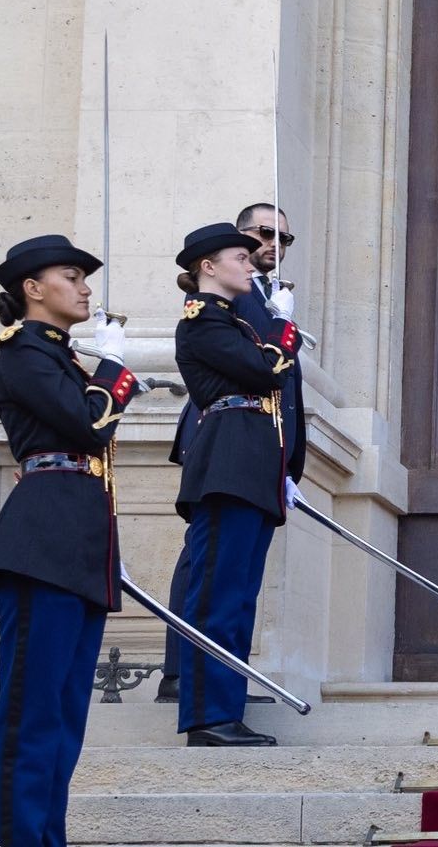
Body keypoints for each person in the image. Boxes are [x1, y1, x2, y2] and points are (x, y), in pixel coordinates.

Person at [0, 234, 139, 847]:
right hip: (41, 548)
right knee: (31, 715)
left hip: (78, 547)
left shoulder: (61, 358)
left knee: (66, 719)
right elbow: (89, 425)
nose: (85, 288)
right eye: (71, 277)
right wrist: (115, 370)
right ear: (33, 288)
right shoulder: (23, 351)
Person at [159, 204, 305, 702]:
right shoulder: (208, 313)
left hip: (258, 453)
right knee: (213, 581)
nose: (269, 249)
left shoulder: (251, 303)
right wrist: (283, 324)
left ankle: (226, 694)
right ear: (210, 265)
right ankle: (197, 692)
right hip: (226, 452)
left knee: (239, 590)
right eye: (257, 239)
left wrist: (286, 462)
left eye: (284, 239)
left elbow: (280, 384)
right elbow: (267, 369)